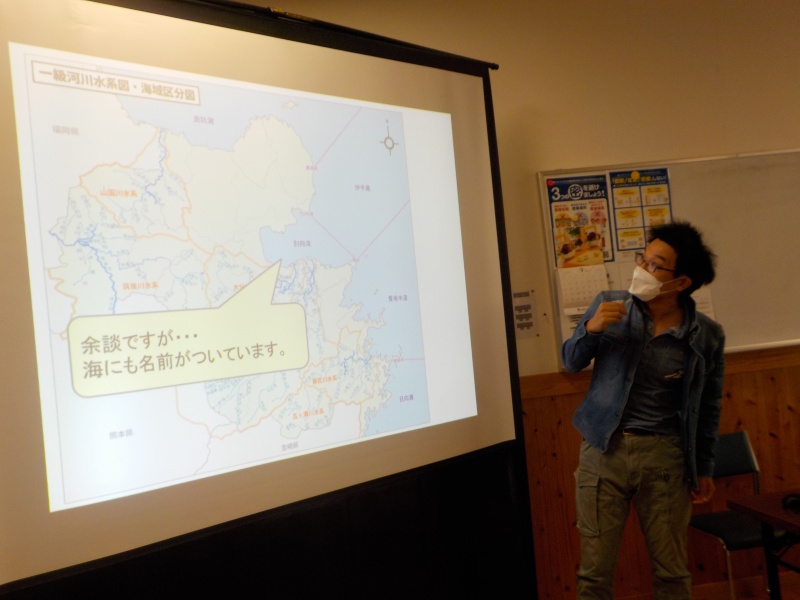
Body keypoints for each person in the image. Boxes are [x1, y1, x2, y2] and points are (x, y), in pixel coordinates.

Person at [562, 221, 725, 600]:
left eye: (655, 265)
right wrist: (592, 327)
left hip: (664, 458)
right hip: (604, 451)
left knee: (672, 573)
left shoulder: (706, 335)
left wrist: (704, 467)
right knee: (594, 575)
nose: (641, 269)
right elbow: (571, 361)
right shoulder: (610, 304)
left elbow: (709, 405)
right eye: (643, 259)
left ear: (681, 282)